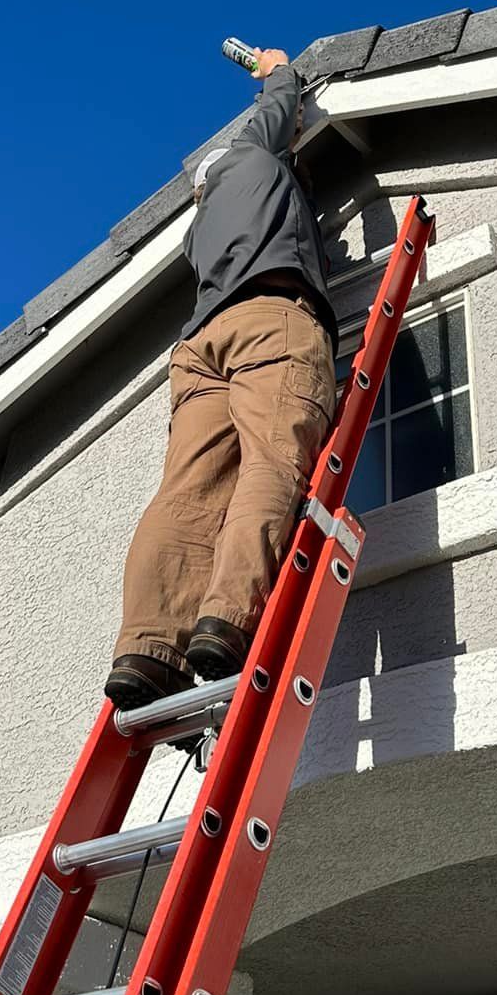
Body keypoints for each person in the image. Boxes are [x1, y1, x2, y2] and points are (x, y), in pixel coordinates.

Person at [105, 49, 339, 707]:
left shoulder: (201, 228)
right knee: (271, 461)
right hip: (269, 320)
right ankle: (226, 618)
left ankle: (147, 647)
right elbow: (277, 104)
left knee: (188, 492)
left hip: (200, 347)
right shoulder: (255, 158)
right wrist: (277, 70)